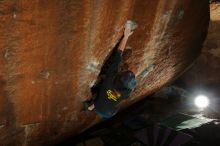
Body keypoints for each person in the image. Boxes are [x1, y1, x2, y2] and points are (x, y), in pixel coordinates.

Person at [83, 20, 137, 119]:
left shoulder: (110, 77)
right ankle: (90, 108)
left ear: (120, 76)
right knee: (106, 98)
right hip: (110, 113)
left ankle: (90, 107)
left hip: (103, 106)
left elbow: (119, 53)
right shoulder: (127, 92)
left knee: (100, 89)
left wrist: (126, 36)